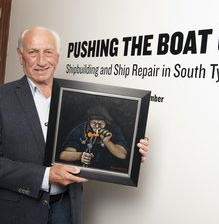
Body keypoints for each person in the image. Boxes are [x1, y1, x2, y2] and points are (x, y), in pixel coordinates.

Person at [0, 26, 150, 224]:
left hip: (67, 208)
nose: (42, 61)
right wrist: (45, 176)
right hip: (19, 212)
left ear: (58, 57)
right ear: (21, 57)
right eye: (33, 52)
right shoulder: (3, 97)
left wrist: (132, 155)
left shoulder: (76, 99)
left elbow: (110, 153)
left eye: (48, 52)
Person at [59, 105, 129, 172]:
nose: (97, 126)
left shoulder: (115, 130)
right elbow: (63, 155)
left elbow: (122, 155)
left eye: (100, 123)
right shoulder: (80, 129)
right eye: (93, 123)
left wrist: (107, 142)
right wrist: (80, 156)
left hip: (108, 171)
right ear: (89, 121)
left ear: (106, 121)